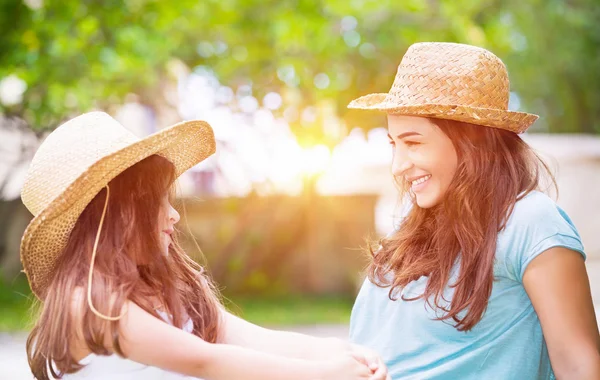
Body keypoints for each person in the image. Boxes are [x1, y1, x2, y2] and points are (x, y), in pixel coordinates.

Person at [21, 111, 389, 379]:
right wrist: (324, 375)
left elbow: (253, 339)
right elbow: (205, 361)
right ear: (116, 213)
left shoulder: (165, 292)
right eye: (157, 202)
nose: (174, 216)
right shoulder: (87, 304)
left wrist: (347, 353)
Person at [346, 42, 600, 379]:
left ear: (472, 141)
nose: (397, 166)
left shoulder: (531, 222)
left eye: (413, 142)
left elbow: (579, 365)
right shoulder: (411, 224)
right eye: (394, 143)